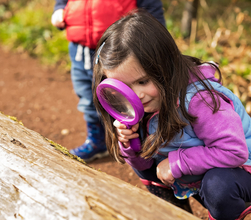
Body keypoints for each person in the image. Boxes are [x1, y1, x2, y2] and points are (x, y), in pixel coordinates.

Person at [93, 10, 251, 220]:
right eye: (123, 87)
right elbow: (144, 165)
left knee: (218, 186)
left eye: (143, 81)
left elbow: (233, 151)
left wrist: (177, 162)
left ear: (166, 66)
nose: (136, 95)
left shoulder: (200, 100)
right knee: (147, 161)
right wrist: (129, 143)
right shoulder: (144, 104)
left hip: (241, 169)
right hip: (198, 172)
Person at [51, 0, 166, 162]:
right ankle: (97, 140)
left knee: (130, 96)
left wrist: (156, 39)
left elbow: (151, 7)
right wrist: (60, 9)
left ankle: (144, 143)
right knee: (86, 94)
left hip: (120, 51)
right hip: (79, 48)